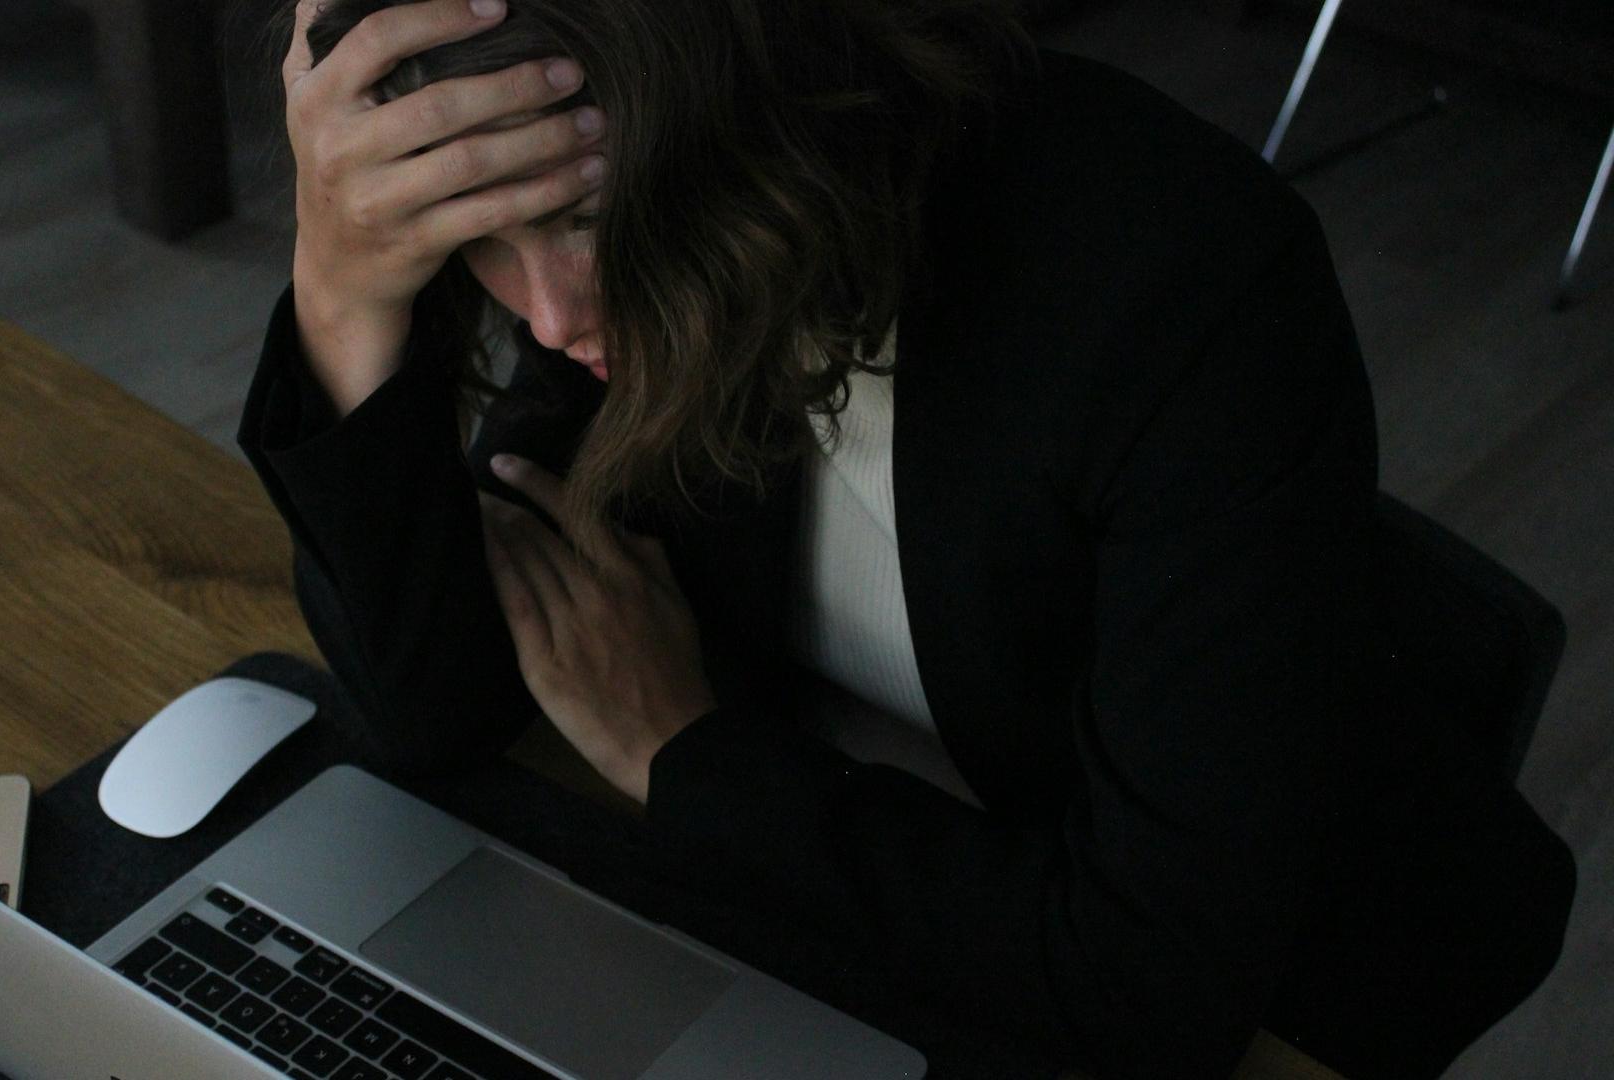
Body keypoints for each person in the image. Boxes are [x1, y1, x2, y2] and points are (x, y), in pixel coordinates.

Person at [238, 0, 1577, 1076]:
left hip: (1273, 990)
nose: (547, 320)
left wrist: (680, 753)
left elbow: (1147, 1003)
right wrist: (342, 288)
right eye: (481, 242)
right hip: (862, 920)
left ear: (747, 122)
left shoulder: (1180, 284)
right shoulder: (622, 246)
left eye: (584, 226)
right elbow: (435, 703)